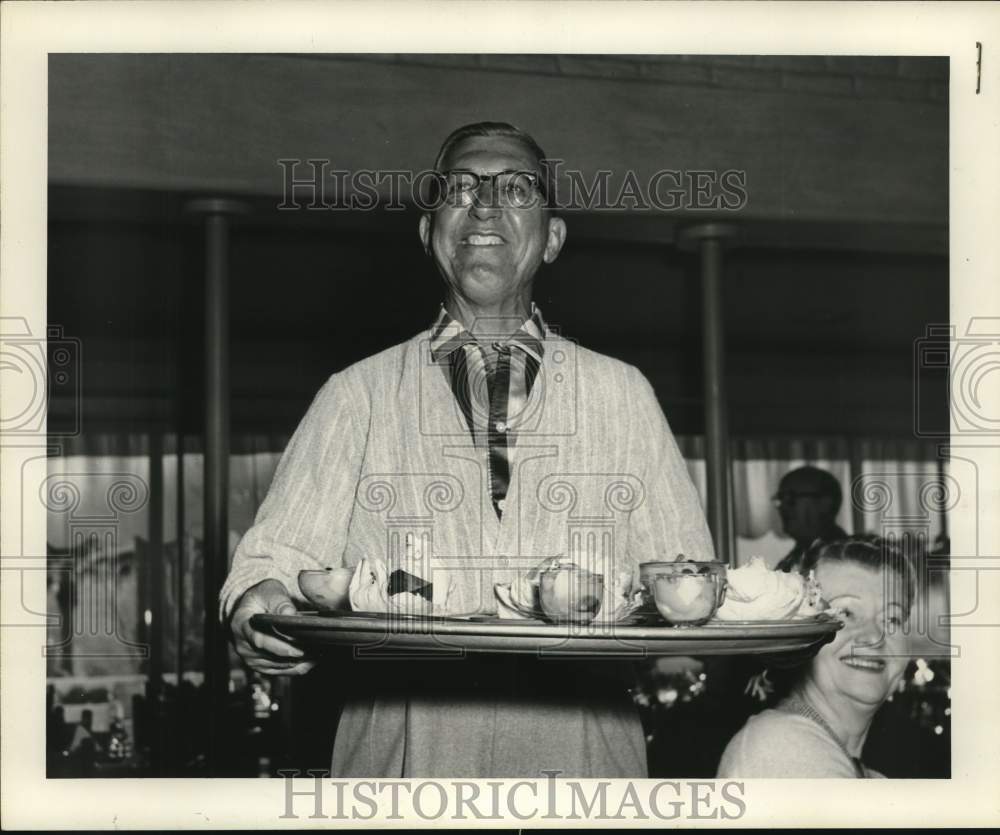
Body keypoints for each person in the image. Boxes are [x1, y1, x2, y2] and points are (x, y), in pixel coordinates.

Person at [221, 121, 715, 778]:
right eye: (460, 187)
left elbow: (688, 577)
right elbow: (270, 565)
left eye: (516, 188)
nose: (484, 204)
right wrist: (258, 608)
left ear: (554, 238)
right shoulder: (357, 394)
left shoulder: (622, 393)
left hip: (584, 769)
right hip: (400, 771)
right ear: (429, 232)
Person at [716, 535, 914, 778]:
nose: (874, 637)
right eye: (846, 613)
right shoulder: (781, 748)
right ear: (795, 634)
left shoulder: (854, 768)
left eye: (892, 619)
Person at [773, 465, 848, 572]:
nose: (782, 506)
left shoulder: (841, 558)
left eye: (791, 497)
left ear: (824, 503)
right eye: (781, 498)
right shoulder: (800, 553)